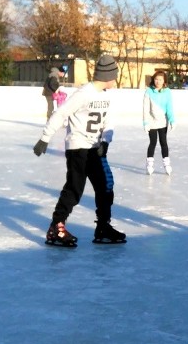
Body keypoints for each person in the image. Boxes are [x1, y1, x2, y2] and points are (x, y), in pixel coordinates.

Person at [32, 55, 125, 247]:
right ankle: (56, 228)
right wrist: (45, 137)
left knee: (106, 186)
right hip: (78, 148)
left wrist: (105, 142)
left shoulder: (107, 95)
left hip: (95, 148)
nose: (116, 79)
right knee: (75, 189)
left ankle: (102, 227)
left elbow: (109, 121)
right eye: (114, 75)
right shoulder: (84, 93)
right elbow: (61, 113)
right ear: (107, 75)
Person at [142, 70, 176, 175]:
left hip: (163, 122)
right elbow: (145, 109)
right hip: (152, 122)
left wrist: (172, 120)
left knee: (163, 143)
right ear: (153, 80)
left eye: (160, 79)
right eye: (156, 79)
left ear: (164, 81)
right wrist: (145, 122)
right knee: (153, 142)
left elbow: (169, 107)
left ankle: (167, 164)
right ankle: (149, 164)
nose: (158, 81)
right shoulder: (148, 91)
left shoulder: (167, 92)